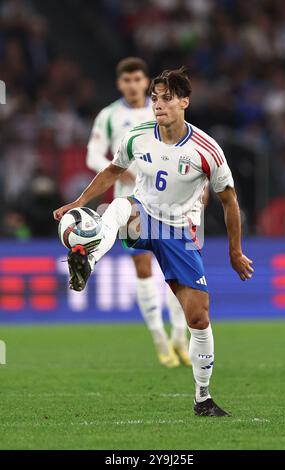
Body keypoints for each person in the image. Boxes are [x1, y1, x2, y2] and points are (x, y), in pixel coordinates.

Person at [54, 67, 254, 416]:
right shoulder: (137, 136)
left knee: (199, 318)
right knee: (119, 204)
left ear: (184, 102)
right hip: (143, 216)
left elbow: (229, 201)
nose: (158, 104)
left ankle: (202, 398)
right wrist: (78, 203)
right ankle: (87, 261)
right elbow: (113, 172)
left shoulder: (207, 150)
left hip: (179, 232)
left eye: (167, 98)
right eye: (155, 98)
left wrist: (235, 251)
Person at [86, 57, 190, 368]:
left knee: (176, 272)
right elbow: (92, 153)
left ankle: (180, 338)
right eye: (126, 80)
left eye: (137, 80)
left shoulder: (160, 108)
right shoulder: (109, 116)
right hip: (129, 204)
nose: (132, 85)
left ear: (146, 82)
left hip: (170, 201)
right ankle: (160, 338)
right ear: (120, 84)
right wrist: (117, 171)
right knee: (144, 270)